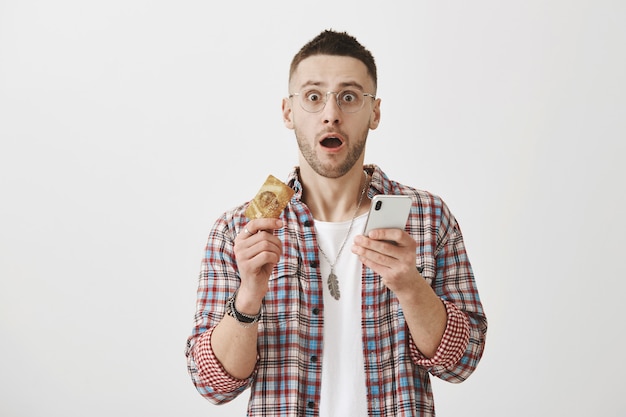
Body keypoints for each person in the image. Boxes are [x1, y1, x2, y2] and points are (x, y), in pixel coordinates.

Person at [185, 29, 487, 417]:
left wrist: (411, 288)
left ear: (374, 112)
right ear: (288, 111)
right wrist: (248, 297)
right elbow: (213, 385)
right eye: (313, 97)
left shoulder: (426, 217)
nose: (331, 113)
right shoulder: (238, 231)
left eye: (349, 97)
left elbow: (462, 363)